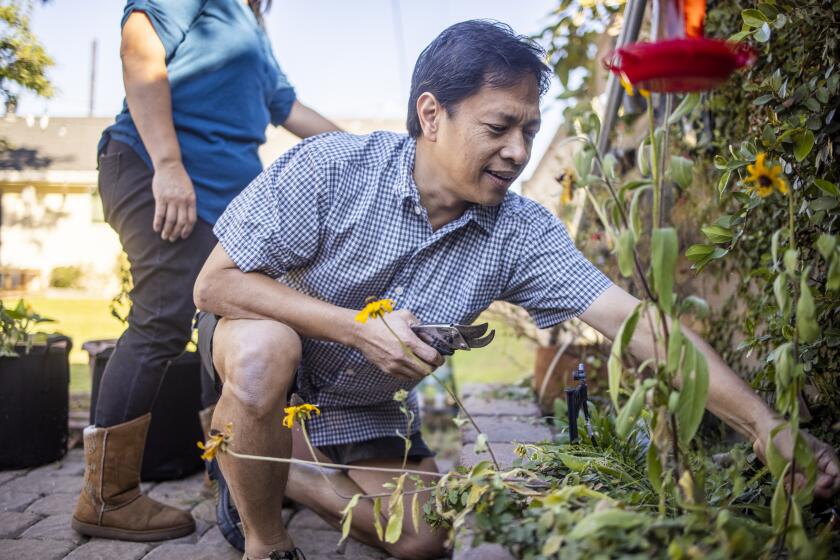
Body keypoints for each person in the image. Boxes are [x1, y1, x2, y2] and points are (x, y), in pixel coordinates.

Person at [192, 19, 840, 560]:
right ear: (431, 114)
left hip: (363, 403)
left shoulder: (520, 232)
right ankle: (263, 536)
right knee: (263, 356)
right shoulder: (333, 166)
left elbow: (639, 324)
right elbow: (214, 283)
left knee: (424, 542)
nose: (518, 150)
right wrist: (354, 326)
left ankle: (290, 475)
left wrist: (765, 426)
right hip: (268, 352)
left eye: (529, 130)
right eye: (499, 126)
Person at [71, 0, 340, 544]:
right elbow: (139, 45)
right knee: (164, 317)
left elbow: (290, 110)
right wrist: (169, 165)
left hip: (229, 203)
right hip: (160, 173)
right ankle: (107, 495)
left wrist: (380, 152)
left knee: (224, 324)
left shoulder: (252, 29)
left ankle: (233, 479)